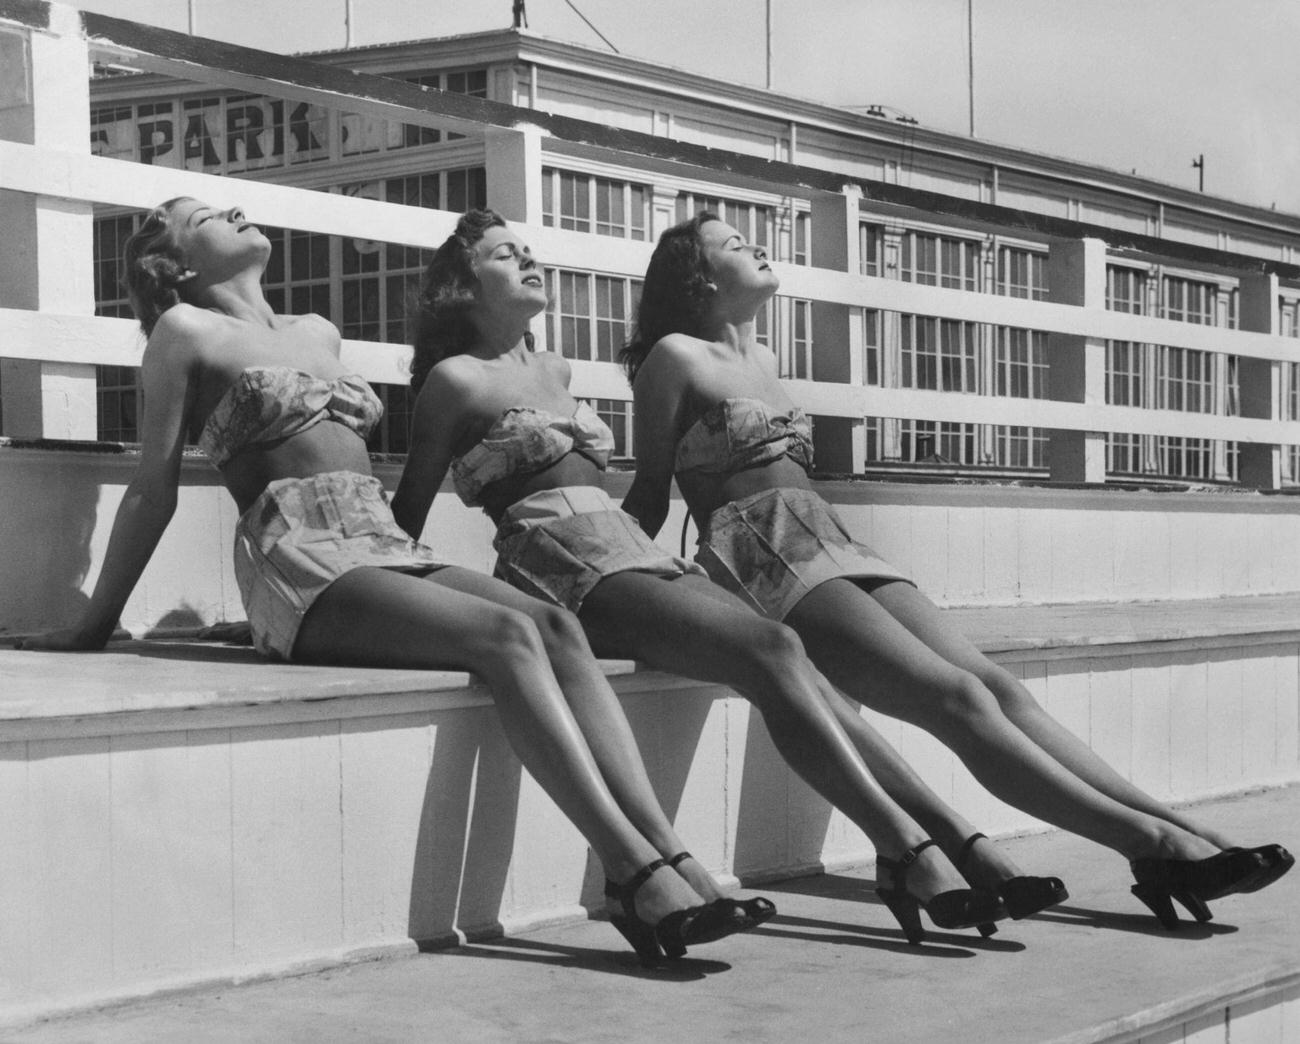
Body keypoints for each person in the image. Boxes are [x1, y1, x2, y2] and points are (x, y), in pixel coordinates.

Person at [14, 196, 761, 967]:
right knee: (506, 637)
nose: (234, 208)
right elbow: (151, 488)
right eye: (202, 215)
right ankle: (630, 871)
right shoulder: (185, 332)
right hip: (300, 553)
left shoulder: (318, 332)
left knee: (557, 626)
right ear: (176, 267)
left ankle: (670, 851)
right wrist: (93, 624)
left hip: (382, 540)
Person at [392, 208, 1074, 946]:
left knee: (786, 654)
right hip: (551, 558)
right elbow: (407, 512)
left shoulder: (555, 371)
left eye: (529, 249)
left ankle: (944, 837)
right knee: (775, 650)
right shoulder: (453, 382)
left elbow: (639, 503)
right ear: (462, 288)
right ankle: (913, 849)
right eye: (504, 254)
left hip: (625, 550)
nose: (528, 260)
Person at [618, 211, 1293, 931]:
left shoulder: (768, 362)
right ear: (698, 278)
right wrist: (629, 586)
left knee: (998, 686)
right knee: (956, 697)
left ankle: (1180, 829)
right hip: (758, 550)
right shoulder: (674, 358)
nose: (752, 244)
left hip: (829, 537)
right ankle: (1150, 846)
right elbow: (652, 490)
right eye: (729, 243)